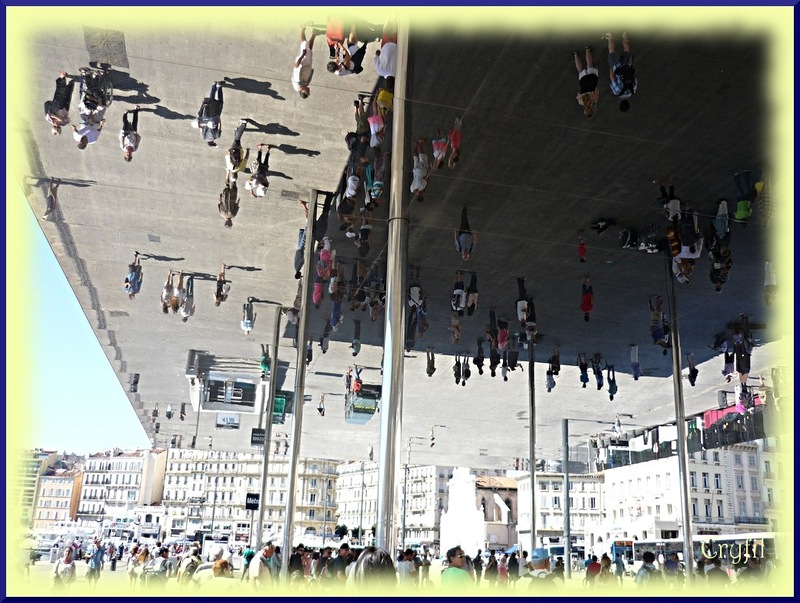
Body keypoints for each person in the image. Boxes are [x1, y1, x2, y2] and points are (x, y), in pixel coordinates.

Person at [602, 32, 637, 111]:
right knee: (612, 52)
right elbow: (612, 77)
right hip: (617, 68)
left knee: (626, 50)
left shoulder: (633, 90)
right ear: (620, 103)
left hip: (627, 66)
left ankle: (624, 36)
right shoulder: (617, 91)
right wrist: (611, 68)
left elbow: (634, 78)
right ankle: (610, 36)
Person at [194, 81, 224, 145]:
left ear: (213, 142)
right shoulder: (203, 136)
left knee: (220, 102)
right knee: (211, 101)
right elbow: (200, 127)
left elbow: (219, 126)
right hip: (206, 116)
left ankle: (219, 87)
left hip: (215, 116)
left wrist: (219, 119)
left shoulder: (216, 136)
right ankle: (213, 86)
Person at [574, 45, 600, 118]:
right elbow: (578, 94)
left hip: (592, 78)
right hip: (583, 81)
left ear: (592, 109)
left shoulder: (595, 99)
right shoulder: (581, 102)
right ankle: (575, 55)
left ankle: (587, 49)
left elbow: (596, 89)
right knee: (580, 70)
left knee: (590, 64)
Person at [292, 26, 317, 98]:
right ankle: (314, 34)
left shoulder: (298, 81)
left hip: (302, 63)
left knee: (304, 44)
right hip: (307, 65)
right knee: (309, 49)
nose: (309, 89)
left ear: (302, 90)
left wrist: (302, 55)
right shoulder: (305, 84)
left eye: (307, 91)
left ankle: (302, 28)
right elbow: (309, 78)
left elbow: (296, 66)